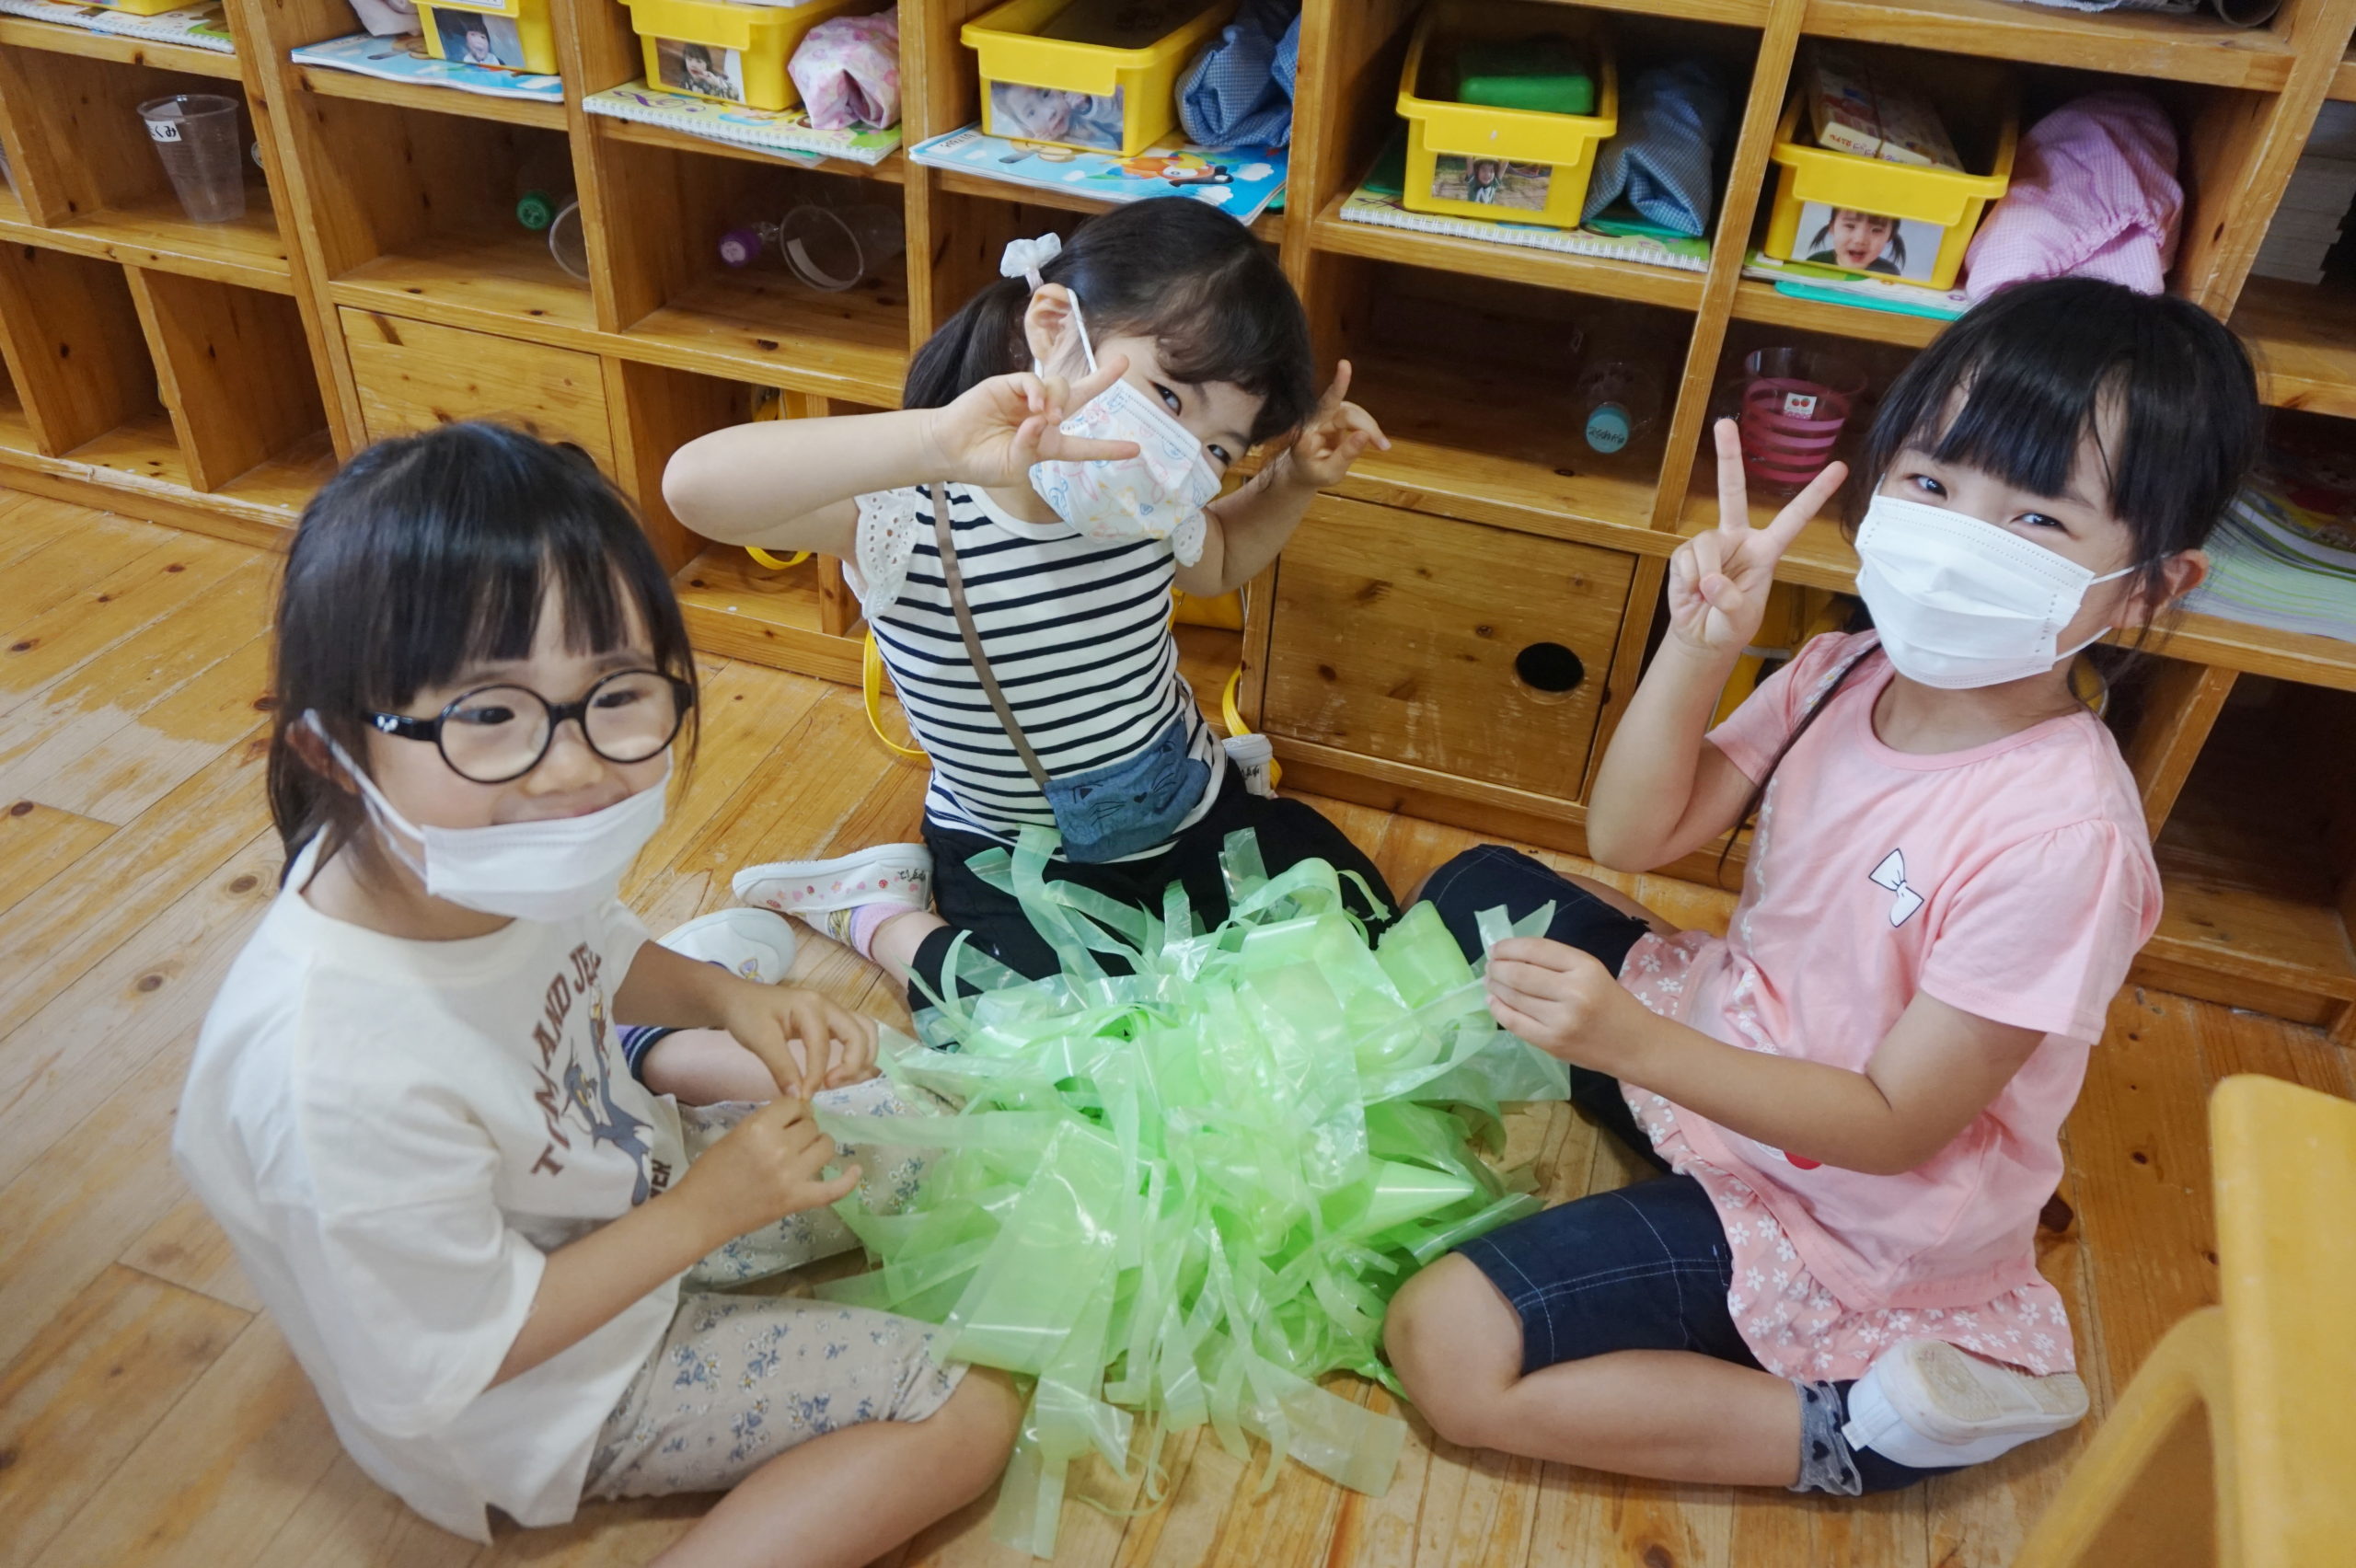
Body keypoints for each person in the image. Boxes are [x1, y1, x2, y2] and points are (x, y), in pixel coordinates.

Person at [1381, 280, 2261, 1497]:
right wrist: (1699, 643)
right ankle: (1664, 1104)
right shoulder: (1847, 667)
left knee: (1446, 1345)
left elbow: (1895, 1125)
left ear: (2150, 588)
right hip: (1725, 1046)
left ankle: (1854, 1430)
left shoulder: (2064, 839)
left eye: (2037, 519)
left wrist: (1629, 1041)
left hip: (1841, 1203)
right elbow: (1634, 830)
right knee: (1475, 885)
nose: (1960, 537)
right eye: (1933, 482)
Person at [174, 423, 1021, 1568]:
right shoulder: (328, 1072)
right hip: (543, 1391)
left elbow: (591, 944)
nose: (573, 767)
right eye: (487, 714)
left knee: (929, 1128)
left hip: (631, 1193)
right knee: (962, 1410)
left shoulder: (473, 852)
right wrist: (707, 1211)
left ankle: (673, 1074)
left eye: (616, 693)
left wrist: (727, 1000)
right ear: (330, 751)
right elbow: (442, 1363)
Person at [662, 200, 1393, 1014]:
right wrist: (934, 443)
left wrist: (1293, 478)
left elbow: (1218, 559)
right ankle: (878, 916)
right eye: (1168, 397)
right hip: (1013, 854)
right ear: (1055, 330)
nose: (1179, 453)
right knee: (1035, 1027)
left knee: (1354, 941)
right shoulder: (909, 510)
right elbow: (695, 489)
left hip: (1185, 809)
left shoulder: (1154, 502)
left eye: (1218, 447)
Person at [1807, 207, 1905, 275]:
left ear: (1890, 236)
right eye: (1850, 226)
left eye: (1876, 230)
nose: (1860, 240)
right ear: (1832, 227)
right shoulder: (1815, 263)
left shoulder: (1889, 273)